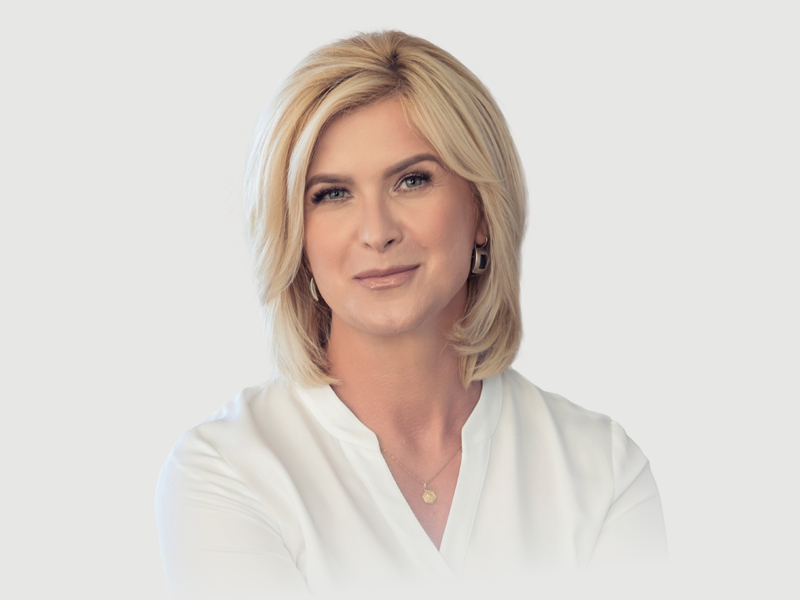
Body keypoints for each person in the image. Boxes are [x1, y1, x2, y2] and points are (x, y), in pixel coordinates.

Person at [155, 30, 668, 598]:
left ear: (481, 211)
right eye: (332, 194)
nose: (377, 232)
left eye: (412, 181)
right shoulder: (227, 471)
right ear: (296, 236)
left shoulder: (603, 469)